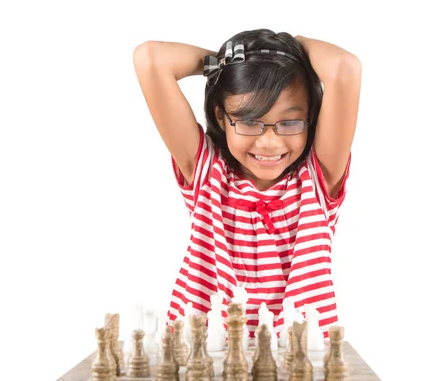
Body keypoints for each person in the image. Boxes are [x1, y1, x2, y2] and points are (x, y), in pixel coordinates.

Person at [132, 29, 362, 340]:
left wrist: (296, 47)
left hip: (299, 364)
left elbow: (344, 68)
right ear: (222, 117)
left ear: (311, 120)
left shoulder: (317, 180)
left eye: (290, 122)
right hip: (201, 356)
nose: (269, 142)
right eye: (249, 121)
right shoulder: (207, 173)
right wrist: (228, 67)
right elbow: (151, 59)